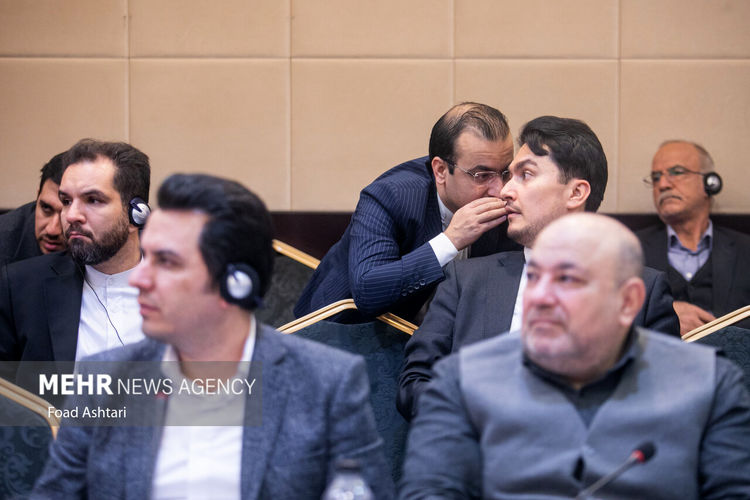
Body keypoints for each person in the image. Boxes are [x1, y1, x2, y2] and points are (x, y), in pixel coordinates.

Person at [31, 174, 394, 499]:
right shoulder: (103, 380)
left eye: (166, 262)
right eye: (146, 257)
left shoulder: (326, 383)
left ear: (236, 284)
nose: (139, 278)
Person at [400, 213, 750, 499]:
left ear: (628, 301)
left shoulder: (707, 385)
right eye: (534, 277)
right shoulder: (464, 381)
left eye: (566, 279)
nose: (541, 297)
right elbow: (431, 490)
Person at [398, 116, 679, 420]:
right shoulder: (467, 280)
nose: (505, 191)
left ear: (576, 193)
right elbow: (414, 386)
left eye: (526, 175)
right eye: (510, 176)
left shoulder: (643, 292)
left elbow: (664, 404)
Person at [294, 102, 521, 324]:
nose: (499, 189)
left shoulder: (511, 199)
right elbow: (367, 291)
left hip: (432, 338)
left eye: (505, 172)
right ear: (441, 170)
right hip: (338, 330)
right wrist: (450, 241)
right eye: (482, 176)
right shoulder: (390, 196)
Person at [0, 139, 150, 388]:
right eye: (67, 201)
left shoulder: (188, 293)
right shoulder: (19, 289)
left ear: (136, 214)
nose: (70, 216)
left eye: (93, 200)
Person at [637, 140, 750, 335]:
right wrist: (664, 312)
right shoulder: (630, 248)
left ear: (710, 183)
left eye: (676, 172)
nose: (662, 184)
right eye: (656, 177)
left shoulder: (746, 249)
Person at [0, 152, 66, 266]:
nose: (52, 230)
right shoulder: (4, 240)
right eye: (46, 208)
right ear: (37, 196)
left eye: (65, 214)